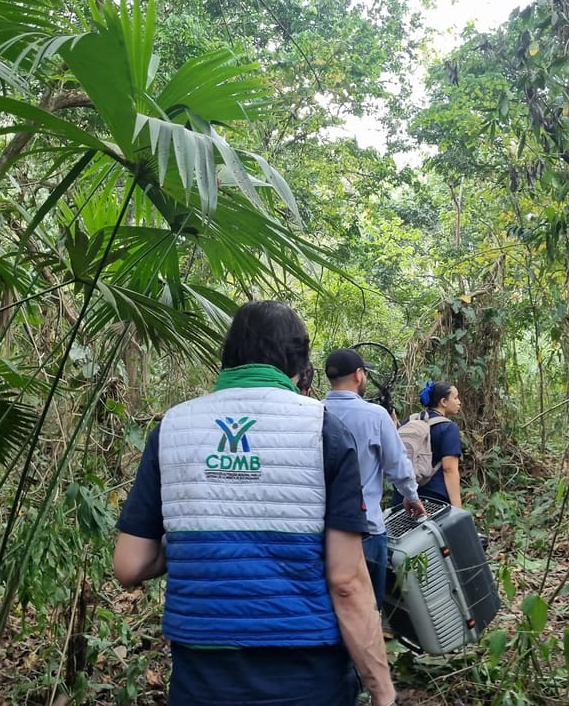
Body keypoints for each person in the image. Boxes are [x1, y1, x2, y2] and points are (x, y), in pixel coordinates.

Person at [112, 301, 399, 706]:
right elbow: (347, 582)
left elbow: (128, 564)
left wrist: (192, 539)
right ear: (299, 365)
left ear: (228, 358)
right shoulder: (324, 430)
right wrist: (382, 692)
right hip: (305, 677)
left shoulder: (172, 428)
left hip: (202, 679)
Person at [324, 348, 426, 609]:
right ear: (359, 375)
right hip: (365, 528)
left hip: (320, 529)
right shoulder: (375, 415)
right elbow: (398, 465)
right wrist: (411, 497)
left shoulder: (313, 412)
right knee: (367, 608)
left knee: (329, 607)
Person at [392, 380, 464, 509]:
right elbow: (449, 470)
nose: (459, 402)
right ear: (443, 402)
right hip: (434, 500)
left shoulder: (409, 421)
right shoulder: (448, 428)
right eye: (455, 398)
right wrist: (458, 509)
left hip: (403, 497)